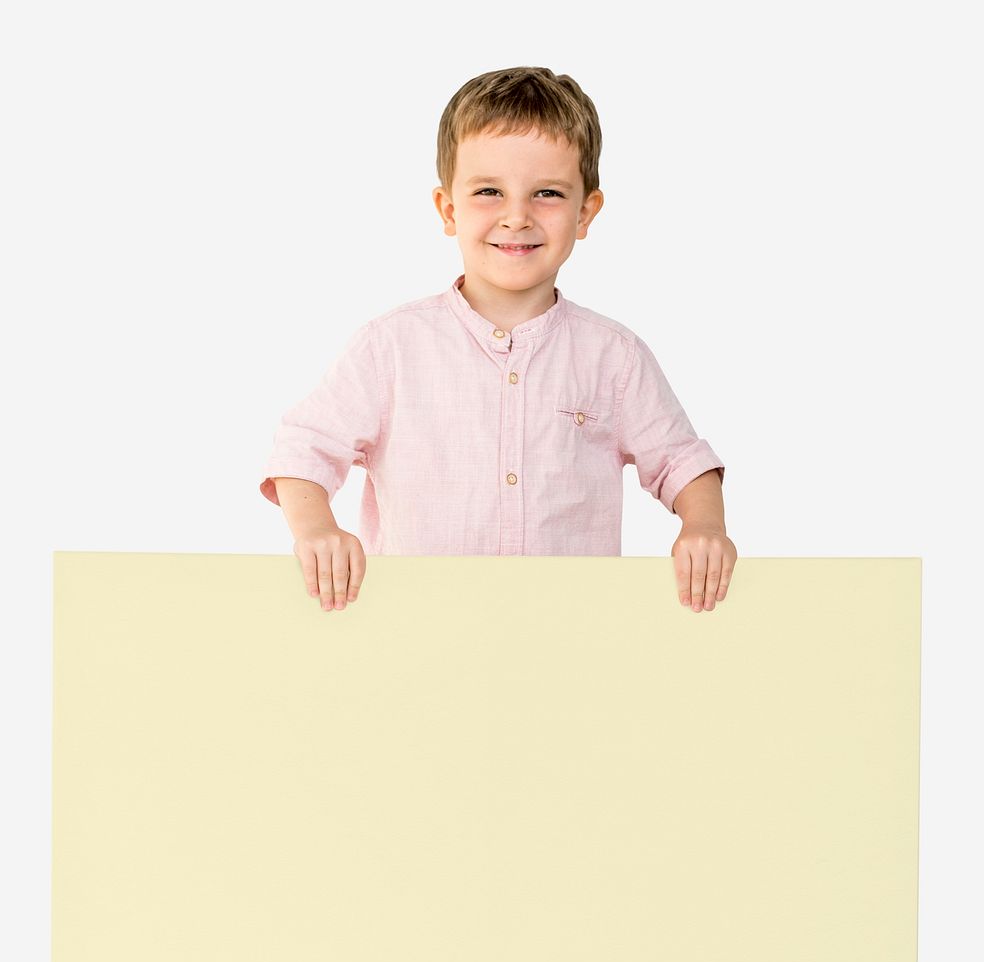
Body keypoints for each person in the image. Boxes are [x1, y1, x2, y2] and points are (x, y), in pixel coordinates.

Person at [259, 66, 737, 614]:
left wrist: (704, 527)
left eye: (548, 193)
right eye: (489, 191)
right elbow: (303, 449)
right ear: (448, 209)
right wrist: (317, 531)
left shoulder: (614, 357)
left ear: (586, 212)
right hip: (417, 629)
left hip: (568, 633)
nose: (517, 217)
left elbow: (681, 461)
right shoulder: (390, 347)